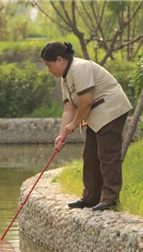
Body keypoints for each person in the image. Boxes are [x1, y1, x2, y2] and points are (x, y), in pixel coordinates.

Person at [40, 41, 132, 212]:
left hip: (110, 108)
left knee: (107, 154)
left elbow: (86, 101)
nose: (49, 70)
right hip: (96, 114)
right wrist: (61, 136)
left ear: (60, 60)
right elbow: (68, 109)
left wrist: (75, 124)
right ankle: (91, 198)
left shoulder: (79, 68)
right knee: (90, 155)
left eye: (49, 65)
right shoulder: (65, 79)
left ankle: (110, 199)